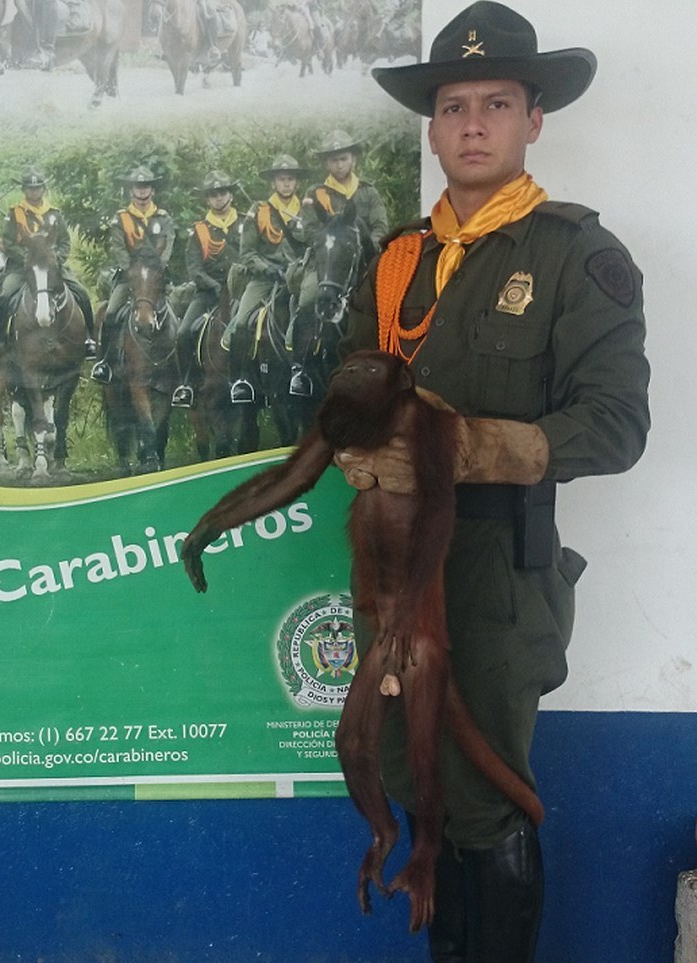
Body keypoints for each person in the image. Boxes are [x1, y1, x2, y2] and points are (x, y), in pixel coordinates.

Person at [335, 3, 650, 960]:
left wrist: (470, 448)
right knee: (409, 772)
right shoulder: (397, 261)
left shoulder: (575, 256)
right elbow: (350, 386)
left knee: (483, 786)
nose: (473, 124)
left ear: (533, 119)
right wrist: (353, 444)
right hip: (392, 568)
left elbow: (616, 424)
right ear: (431, 128)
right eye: (454, 106)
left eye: (497, 104)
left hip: (495, 573)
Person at [288, 129, 389, 395]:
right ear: (326, 163)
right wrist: (329, 236)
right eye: (333, 160)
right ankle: (301, 368)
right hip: (327, 259)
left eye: (343, 158)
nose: (339, 164)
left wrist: (365, 242)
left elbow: (381, 226)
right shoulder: (315, 193)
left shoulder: (368, 192)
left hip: (363, 258)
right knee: (308, 299)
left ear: (353, 159)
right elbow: (308, 228)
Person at [0, 167, 96, 360]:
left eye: (37, 188)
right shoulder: (15, 213)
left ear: (43, 189)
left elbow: (64, 242)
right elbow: (8, 242)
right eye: (30, 188)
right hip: (22, 268)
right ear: (24, 190)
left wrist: (56, 260)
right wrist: (28, 259)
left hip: (52, 267)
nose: (34, 192)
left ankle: (89, 339)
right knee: (4, 297)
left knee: (82, 294)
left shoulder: (54, 214)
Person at [220, 154, 309, 404]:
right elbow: (247, 252)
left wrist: (299, 267)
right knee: (240, 322)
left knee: (311, 315)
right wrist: (268, 269)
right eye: (281, 179)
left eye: (290, 179)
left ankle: (302, 372)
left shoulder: (307, 211)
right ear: (273, 183)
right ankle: (240, 380)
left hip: (297, 277)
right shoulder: (258, 210)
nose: (286, 184)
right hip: (265, 278)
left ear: (297, 183)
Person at [91, 166, 175, 385]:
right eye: (138, 187)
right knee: (110, 313)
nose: (142, 191)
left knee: (179, 313)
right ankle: (105, 363)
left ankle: (181, 370)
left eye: (146, 186)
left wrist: (158, 267)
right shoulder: (121, 219)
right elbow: (118, 248)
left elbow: (167, 245)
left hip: (156, 277)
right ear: (131, 192)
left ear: (152, 191)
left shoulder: (163, 218)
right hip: (130, 277)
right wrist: (131, 270)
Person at [172, 171, 241, 408]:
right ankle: (187, 384)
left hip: (241, 289)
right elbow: (194, 268)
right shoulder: (199, 230)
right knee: (183, 332)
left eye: (222, 193)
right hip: (208, 291)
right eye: (213, 195)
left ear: (230, 195)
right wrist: (213, 286)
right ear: (208, 200)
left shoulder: (245, 224)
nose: (219, 198)